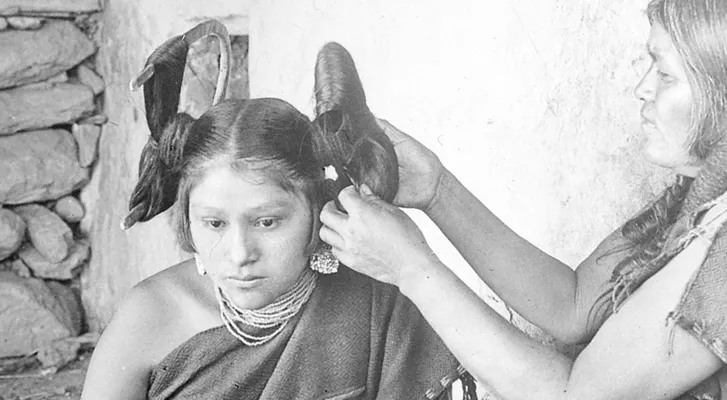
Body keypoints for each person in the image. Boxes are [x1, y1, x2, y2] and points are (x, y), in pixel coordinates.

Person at [318, 0, 727, 399]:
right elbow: (573, 304)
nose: (642, 87)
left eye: (664, 73)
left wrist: (413, 269)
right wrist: (437, 189)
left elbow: (575, 396)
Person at [81, 22, 470, 400]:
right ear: (187, 218)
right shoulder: (149, 314)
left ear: (317, 210)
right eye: (214, 223)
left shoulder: (378, 303)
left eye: (267, 222)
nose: (239, 253)